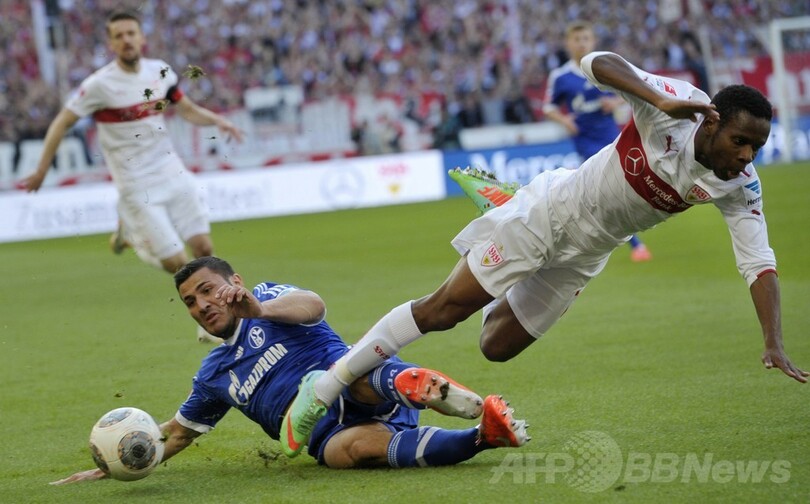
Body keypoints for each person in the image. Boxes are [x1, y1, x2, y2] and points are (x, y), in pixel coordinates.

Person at [280, 50, 809, 455]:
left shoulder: (739, 184)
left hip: (588, 253)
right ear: (712, 122)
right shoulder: (677, 107)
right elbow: (594, 62)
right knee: (442, 311)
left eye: (756, 148)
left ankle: (501, 206)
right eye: (740, 142)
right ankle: (324, 387)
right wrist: (659, 99)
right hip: (550, 214)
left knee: (496, 346)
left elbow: (758, 261)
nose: (746, 157)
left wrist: (773, 340)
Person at [50, 256, 528, 483]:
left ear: (234, 283)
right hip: (329, 434)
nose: (201, 305)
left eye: (208, 290)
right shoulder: (214, 375)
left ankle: (409, 384)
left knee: (352, 376)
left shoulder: (268, 297)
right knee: (345, 453)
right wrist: (118, 461)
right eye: (190, 301)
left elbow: (313, 305)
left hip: (351, 383)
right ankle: (484, 435)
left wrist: (259, 310)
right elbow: (175, 433)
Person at [21, 11, 243, 277]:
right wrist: (42, 169)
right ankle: (134, 237)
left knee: (204, 248)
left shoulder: (159, 71)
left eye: (130, 33)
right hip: (135, 183)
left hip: (170, 169)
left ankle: (219, 303)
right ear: (111, 44)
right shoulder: (99, 85)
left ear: (142, 38)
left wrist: (218, 121)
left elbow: (187, 109)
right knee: (178, 264)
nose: (126, 40)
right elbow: (62, 123)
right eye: (119, 36)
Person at [543, 21, 651, 262]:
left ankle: (621, 231)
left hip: (611, 134)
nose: (581, 43)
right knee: (605, 187)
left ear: (593, 41)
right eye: (577, 39)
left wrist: (615, 102)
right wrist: (565, 121)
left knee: (625, 183)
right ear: (568, 44)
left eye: (586, 39)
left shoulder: (604, 67)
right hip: (585, 139)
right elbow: (548, 107)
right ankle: (634, 243)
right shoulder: (560, 76)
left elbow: (634, 87)